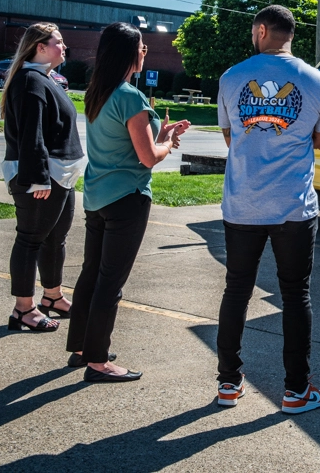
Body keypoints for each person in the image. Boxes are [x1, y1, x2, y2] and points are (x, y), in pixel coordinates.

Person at [215, 4, 320, 414]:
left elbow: (231, 137)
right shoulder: (318, 81)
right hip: (293, 208)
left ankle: (228, 384)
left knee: (237, 290)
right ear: (291, 35)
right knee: (295, 295)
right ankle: (295, 391)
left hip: (242, 205)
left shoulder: (231, 79)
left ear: (261, 30)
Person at [66, 22, 190, 382]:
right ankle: (99, 361)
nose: (145, 52)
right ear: (129, 53)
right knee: (111, 281)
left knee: (91, 274)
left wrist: (162, 133)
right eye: (143, 47)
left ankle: (81, 348)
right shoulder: (129, 97)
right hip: (127, 199)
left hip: (97, 197)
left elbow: (129, 146)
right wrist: (167, 143)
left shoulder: (97, 93)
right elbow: (149, 158)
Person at [1, 22, 84, 333]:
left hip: (60, 176)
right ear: (40, 47)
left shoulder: (45, 79)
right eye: (58, 42)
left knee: (55, 238)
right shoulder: (29, 81)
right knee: (30, 239)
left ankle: (53, 297)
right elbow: (30, 135)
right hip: (41, 177)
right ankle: (23, 309)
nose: (64, 47)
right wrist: (38, 179)